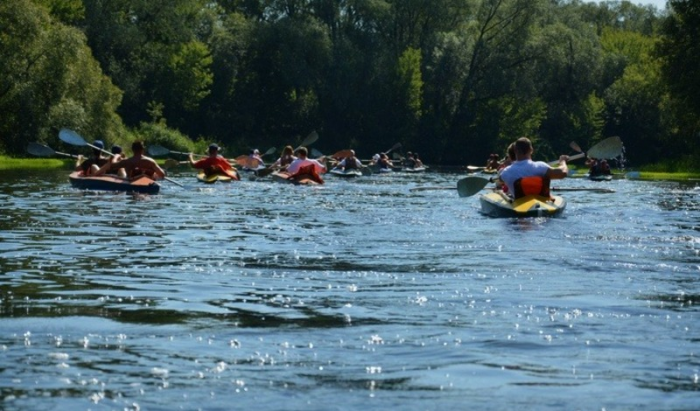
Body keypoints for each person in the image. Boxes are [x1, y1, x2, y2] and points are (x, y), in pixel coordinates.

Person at [499, 137, 568, 198]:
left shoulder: (505, 172)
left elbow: (500, 180)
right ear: (531, 150)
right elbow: (563, 173)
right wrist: (563, 161)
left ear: (515, 151)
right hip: (542, 205)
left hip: (519, 206)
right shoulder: (540, 166)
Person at [94, 141, 166, 180]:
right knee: (154, 174)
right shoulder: (150, 161)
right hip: (147, 186)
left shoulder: (127, 161)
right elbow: (162, 174)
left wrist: (116, 156)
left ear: (133, 150)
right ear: (142, 150)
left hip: (132, 184)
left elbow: (112, 165)